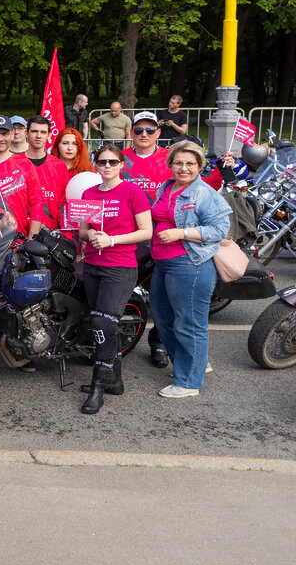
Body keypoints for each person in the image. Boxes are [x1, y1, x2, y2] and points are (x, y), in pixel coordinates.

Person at [149, 142, 231, 398]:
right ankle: (193, 363)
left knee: (190, 322)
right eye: (178, 163)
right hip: (162, 263)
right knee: (162, 318)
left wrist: (182, 233)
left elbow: (219, 230)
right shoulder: (167, 187)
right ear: (170, 164)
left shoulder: (205, 193)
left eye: (190, 164)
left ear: (199, 166)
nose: (183, 168)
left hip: (190, 263)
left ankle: (189, 382)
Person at [75, 144, 153, 414]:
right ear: (95, 165)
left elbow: (146, 231)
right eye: (102, 162)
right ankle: (115, 381)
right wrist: (90, 235)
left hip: (119, 267)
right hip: (92, 266)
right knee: (102, 323)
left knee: (101, 323)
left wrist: (112, 240)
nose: (107, 166)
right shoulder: (89, 193)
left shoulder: (133, 191)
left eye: (112, 162)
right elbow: (82, 230)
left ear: (121, 165)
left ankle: (98, 386)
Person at [120, 110, 173, 367]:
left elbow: (197, 182)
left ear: (158, 133)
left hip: (162, 232)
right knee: (121, 286)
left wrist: (222, 171)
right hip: (126, 232)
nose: (144, 134)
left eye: (150, 130)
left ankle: (160, 343)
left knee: (163, 292)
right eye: (139, 130)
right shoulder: (119, 158)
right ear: (131, 132)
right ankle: (115, 336)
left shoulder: (170, 158)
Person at [25, 116, 71, 230]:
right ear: (26, 133)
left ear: (49, 135)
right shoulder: (15, 164)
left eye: (43, 132)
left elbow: (64, 201)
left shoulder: (59, 166)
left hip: (51, 229)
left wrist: (64, 230)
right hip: (21, 231)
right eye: (34, 131)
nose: (38, 136)